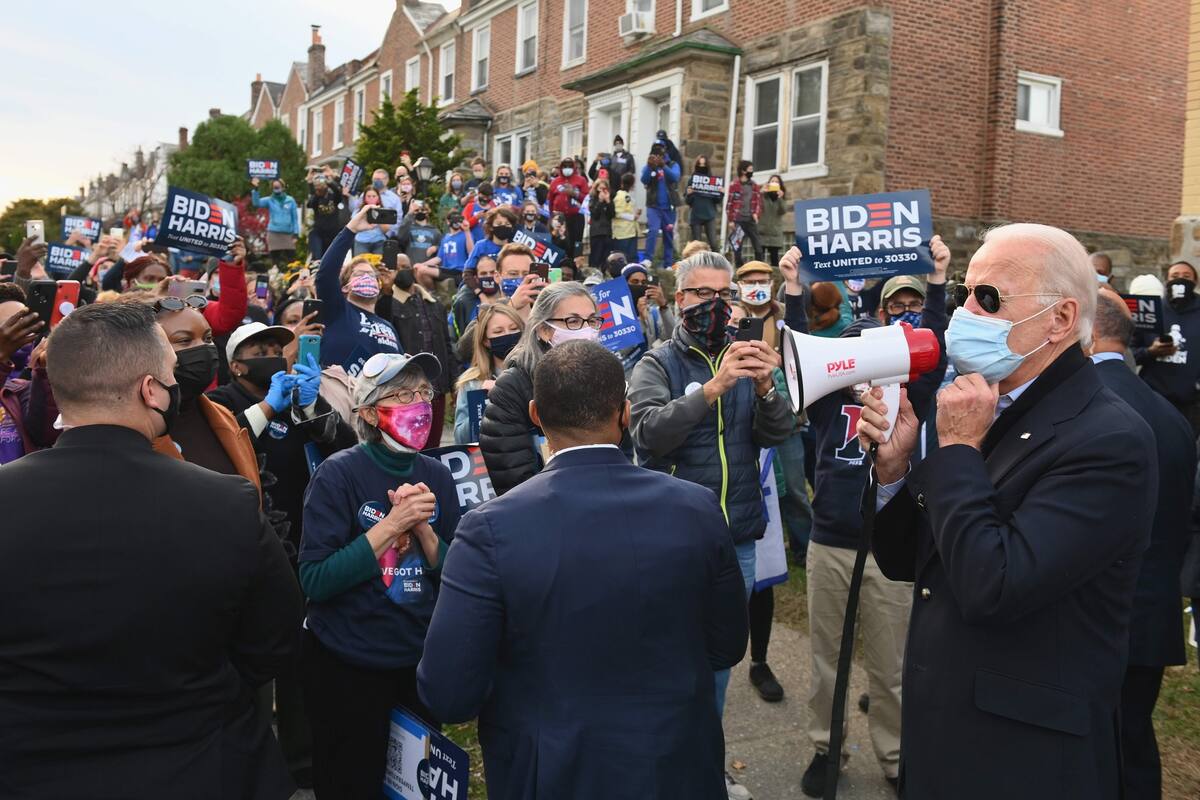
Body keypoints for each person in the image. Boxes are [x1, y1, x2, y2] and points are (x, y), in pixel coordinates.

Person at [855, 223, 1157, 800]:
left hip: (1023, 760)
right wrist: (895, 474)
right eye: (967, 291)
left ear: (1060, 320)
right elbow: (912, 565)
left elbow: (992, 584)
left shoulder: (1108, 438)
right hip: (948, 733)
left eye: (987, 299)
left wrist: (961, 450)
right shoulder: (994, 402)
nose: (963, 311)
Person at [419, 340, 748, 800]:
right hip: (677, 762)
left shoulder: (491, 529)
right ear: (626, 412)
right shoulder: (695, 505)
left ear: (535, 415)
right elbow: (727, 643)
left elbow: (449, 692)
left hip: (552, 771)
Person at [0, 302, 302, 798]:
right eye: (170, 376)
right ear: (149, 390)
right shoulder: (225, 502)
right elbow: (275, 641)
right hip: (198, 764)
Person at [628, 250, 794, 799]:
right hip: (672, 539)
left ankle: (704, 764)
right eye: (702, 294)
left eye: (725, 295)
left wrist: (768, 387)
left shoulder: (748, 356)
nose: (715, 305)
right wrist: (712, 389)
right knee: (669, 659)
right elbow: (648, 434)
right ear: (679, 301)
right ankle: (659, 763)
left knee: (719, 660)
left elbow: (777, 433)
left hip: (737, 538)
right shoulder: (656, 363)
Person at [792, 246, 950, 798]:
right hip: (831, 541)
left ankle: (895, 755)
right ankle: (824, 747)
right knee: (826, 658)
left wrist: (938, 282)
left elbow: (936, 334)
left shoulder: (913, 391)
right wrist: (793, 290)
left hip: (888, 544)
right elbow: (797, 350)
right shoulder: (827, 399)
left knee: (892, 665)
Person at [299, 352, 460, 798]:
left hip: (414, 662)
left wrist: (423, 529)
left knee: (413, 788)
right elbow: (315, 579)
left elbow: (455, 578)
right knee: (351, 783)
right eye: (402, 394)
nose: (419, 403)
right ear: (369, 412)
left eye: (423, 393)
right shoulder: (338, 474)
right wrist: (391, 525)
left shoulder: (437, 476)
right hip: (347, 664)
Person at [1089, 289, 1195, 799]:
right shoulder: (1172, 417)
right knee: (1133, 743)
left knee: (1089, 752)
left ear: (1085, 330)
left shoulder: (1083, 405)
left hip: (1091, 618)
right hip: (1152, 613)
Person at [479, 282, 600, 495]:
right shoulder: (514, 387)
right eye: (573, 321)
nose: (587, 330)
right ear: (544, 330)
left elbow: (621, 453)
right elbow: (511, 474)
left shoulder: (604, 380)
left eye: (592, 320)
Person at [375, 258, 459, 448]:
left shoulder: (434, 303)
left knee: (433, 446)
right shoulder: (388, 304)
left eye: (404, 267)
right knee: (408, 444)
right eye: (395, 268)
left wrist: (455, 383)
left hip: (436, 389)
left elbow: (447, 345)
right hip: (404, 392)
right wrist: (386, 290)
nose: (401, 271)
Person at [314, 206, 401, 377]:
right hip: (340, 397)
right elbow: (325, 274)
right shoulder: (337, 311)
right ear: (345, 287)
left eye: (371, 275)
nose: (367, 277)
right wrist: (350, 230)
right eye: (360, 274)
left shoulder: (388, 326)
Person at [1133, 260, 1200, 435]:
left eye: (1186, 277)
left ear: (1195, 282)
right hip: (1152, 397)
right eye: (1175, 276)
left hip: (1190, 403)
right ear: (1166, 281)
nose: (1180, 280)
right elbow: (1130, 353)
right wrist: (1151, 352)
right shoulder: (1150, 310)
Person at [0, 284, 56, 464]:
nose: (20, 330)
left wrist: (42, 373)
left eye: (26, 322)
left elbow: (46, 432)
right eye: (10, 324)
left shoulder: (20, 388)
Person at [454, 303, 524, 444]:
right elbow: (461, 439)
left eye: (513, 329)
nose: (507, 335)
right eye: (498, 332)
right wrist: (483, 403)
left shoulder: (536, 372)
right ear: (485, 340)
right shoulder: (472, 382)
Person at [618, 261, 674, 373]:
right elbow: (622, 351)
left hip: (650, 371)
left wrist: (663, 306)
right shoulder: (617, 313)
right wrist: (641, 322)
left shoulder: (653, 312)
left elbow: (671, 337)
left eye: (643, 282)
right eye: (634, 282)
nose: (639, 286)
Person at [641, 144, 681, 267]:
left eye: (660, 154)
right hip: (654, 206)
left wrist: (663, 166)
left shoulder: (673, 164)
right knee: (653, 230)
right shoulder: (650, 166)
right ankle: (648, 259)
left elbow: (675, 177)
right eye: (655, 154)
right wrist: (649, 167)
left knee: (668, 234)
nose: (658, 156)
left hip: (669, 207)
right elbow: (644, 180)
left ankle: (668, 263)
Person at [251, 176, 301, 267]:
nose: (277, 189)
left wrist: (296, 234)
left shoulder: (290, 200)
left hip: (288, 234)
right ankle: (276, 278)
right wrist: (256, 188)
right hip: (274, 233)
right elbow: (256, 203)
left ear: (283, 187)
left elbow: (295, 218)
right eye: (275, 187)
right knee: (275, 261)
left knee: (292, 260)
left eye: (278, 187)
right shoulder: (269, 200)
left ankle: (292, 278)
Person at [548, 158, 590, 258]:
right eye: (565, 166)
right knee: (559, 242)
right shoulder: (555, 182)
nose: (567, 168)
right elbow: (550, 201)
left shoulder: (581, 180)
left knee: (575, 243)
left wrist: (575, 193)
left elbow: (587, 199)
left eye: (569, 166)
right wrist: (551, 217)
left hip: (576, 217)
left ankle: (574, 265)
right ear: (561, 168)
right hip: (559, 218)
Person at [726, 160, 764, 267]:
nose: (751, 172)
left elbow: (758, 202)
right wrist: (731, 220)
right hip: (738, 219)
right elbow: (729, 204)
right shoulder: (734, 185)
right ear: (743, 171)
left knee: (757, 244)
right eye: (750, 169)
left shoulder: (754, 186)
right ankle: (739, 267)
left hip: (750, 219)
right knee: (737, 246)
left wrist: (756, 214)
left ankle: (760, 266)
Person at [391, 199, 443, 270]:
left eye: (422, 210)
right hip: (409, 268)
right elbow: (400, 236)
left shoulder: (435, 231)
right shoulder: (408, 228)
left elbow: (443, 251)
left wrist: (436, 248)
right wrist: (409, 213)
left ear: (427, 211)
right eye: (417, 210)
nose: (420, 212)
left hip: (426, 269)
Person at [465, 205, 518, 270]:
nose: (503, 226)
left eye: (507, 224)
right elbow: (468, 270)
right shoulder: (481, 246)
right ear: (491, 227)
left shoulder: (516, 248)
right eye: (499, 224)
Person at [307, 173, 346, 260]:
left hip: (333, 232)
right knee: (318, 257)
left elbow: (338, 193)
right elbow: (310, 204)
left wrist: (329, 182)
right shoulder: (316, 198)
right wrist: (317, 192)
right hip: (319, 232)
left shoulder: (333, 197)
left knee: (331, 257)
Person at [686, 155, 721, 250]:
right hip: (696, 215)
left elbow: (717, 200)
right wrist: (689, 194)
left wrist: (721, 193)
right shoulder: (692, 180)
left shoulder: (713, 181)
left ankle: (716, 264)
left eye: (704, 164)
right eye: (700, 164)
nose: (702, 166)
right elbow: (688, 202)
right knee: (697, 245)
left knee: (713, 243)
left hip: (709, 214)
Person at [352, 187, 393, 256]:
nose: (371, 198)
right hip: (361, 242)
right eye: (368, 196)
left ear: (378, 198)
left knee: (378, 266)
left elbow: (386, 230)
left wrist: (378, 214)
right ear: (364, 198)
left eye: (374, 196)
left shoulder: (384, 211)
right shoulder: (358, 211)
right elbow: (354, 226)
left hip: (378, 242)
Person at [612, 171, 640, 263]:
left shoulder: (626, 196)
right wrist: (633, 217)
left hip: (629, 231)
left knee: (631, 258)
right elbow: (617, 212)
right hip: (622, 233)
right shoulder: (621, 196)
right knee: (623, 259)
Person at [587, 179, 615, 270]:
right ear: (596, 189)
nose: (603, 190)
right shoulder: (592, 199)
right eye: (600, 188)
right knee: (595, 257)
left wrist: (608, 202)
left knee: (605, 258)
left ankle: (603, 273)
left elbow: (612, 215)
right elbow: (595, 214)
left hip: (607, 232)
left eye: (605, 188)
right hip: (596, 232)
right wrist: (600, 201)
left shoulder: (610, 200)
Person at [759, 175, 787, 265]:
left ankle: (775, 278)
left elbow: (783, 211)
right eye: (772, 181)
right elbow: (756, 206)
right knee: (759, 259)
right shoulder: (763, 196)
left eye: (777, 182)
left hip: (775, 233)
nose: (774, 183)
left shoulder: (781, 198)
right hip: (762, 231)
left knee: (774, 260)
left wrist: (780, 198)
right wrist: (760, 193)